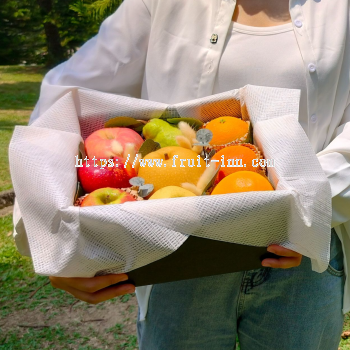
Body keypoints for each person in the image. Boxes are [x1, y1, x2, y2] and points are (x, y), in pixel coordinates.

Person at [16, 0, 350, 349]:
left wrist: (300, 204)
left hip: (302, 254)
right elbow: (61, 101)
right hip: (174, 255)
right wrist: (51, 239)